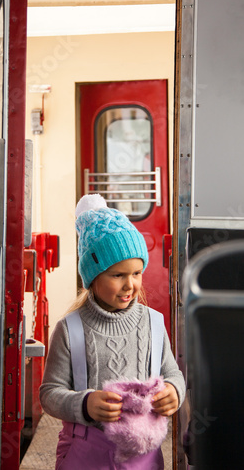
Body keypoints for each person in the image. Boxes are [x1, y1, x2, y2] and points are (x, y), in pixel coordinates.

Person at [40, 194, 186, 470]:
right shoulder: (70, 329)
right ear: (93, 277)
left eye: (136, 273)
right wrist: (85, 403)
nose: (130, 285)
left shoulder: (154, 323)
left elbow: (173, 373)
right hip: (86, 452)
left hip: (143, 455)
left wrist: (174, 392)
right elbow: (50, 393)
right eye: (117, 275)